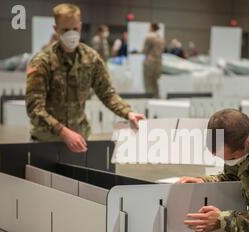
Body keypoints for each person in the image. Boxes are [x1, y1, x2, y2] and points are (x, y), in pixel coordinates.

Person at [25, 3, 145, 152]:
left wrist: (128, 113)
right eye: (65, 30)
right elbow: (34, 109)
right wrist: (64, 132)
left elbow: (107, 93)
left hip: (79, 140)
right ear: (56, 30)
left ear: (80, 26)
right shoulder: (42, 62)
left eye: (75, 29)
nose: (71, 34)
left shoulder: (91, 58)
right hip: (45, 141)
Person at [142, 22, 164, 98]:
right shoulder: (160, 38)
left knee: (148, 82)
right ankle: (157, 98)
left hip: (149, 61)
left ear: (152, 27)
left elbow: (144, 50)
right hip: (158, 62)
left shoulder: (149, 37)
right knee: (155, 82)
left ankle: (148, 98)